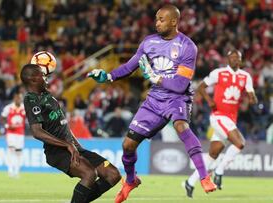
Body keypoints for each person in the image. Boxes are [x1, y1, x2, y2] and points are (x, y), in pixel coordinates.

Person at [88, 5, 216, 203]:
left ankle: (204, 177)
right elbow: (130, 66)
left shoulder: (187, 46)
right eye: (156, 19)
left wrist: (156, 79)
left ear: (174, 21)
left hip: (177, 97)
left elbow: (181, 84)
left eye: (162, 19)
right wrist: (108, 76)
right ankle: (130, 181)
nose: (157, 23)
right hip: (155, 99)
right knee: (128, 145)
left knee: (181, 125)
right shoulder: (149, 43)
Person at [20, 63, 121, 203]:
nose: (46, 77)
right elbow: (37, 132)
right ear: (33, 79)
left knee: (113, 174)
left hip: (74, 148)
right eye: (42, 75)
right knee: (89, 174)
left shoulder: (47, 95)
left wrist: (75, 145)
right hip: (57, 151)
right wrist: (67, 145)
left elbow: (62, 124)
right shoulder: (31, 99)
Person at [184, 50, 258, 197]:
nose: (235, 60)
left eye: (237, 58)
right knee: (240, 143)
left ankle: (190, 182)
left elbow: (251, 95)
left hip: (231, 119)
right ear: (227, 59)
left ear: (241, 60)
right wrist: (210, 100)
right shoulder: (218, 73)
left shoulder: (245, 76)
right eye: (232, 57)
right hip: (218, 116)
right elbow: (201, 87)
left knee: (213, 154)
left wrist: (251, 99)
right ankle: (219, 171)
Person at [0, 92, 26, 178]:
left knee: (18, 152)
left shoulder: (24, 108)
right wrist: (7, 125)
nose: (18, 100)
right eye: (17, 98)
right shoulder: (8, 107)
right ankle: (10, 170)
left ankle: (17, 171)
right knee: (11, 150)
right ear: (14, 98)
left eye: (20, 98)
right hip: (11, 133)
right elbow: (2, 118)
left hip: (20, 133)